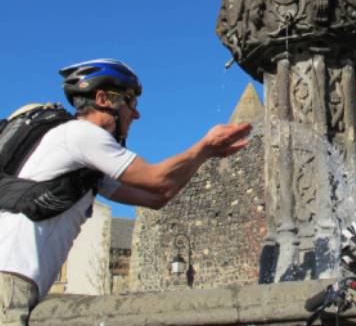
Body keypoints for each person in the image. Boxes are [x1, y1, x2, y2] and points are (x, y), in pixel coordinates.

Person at [0, 58, 252, 325]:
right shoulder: (83, 135)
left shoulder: (84, 166)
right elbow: (158, 180)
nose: (136, 113)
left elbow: (158, 197)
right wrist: (204, 146)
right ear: (103, 98)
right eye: (130, 102)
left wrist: (206, 154)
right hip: (9, 277)